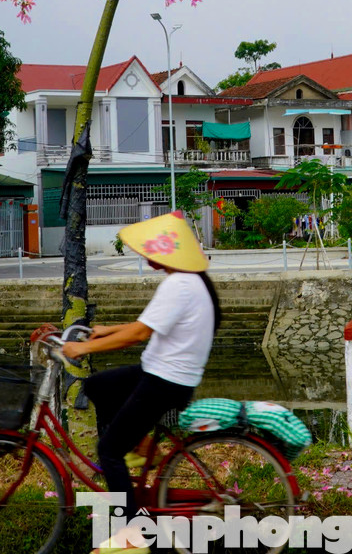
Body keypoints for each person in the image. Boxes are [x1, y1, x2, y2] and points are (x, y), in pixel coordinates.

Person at [61, 211, 221, 553]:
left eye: (153, 249)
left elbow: (139, 333)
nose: (147, 255)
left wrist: (83, 346)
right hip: (162, 374)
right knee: (97, 386)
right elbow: (147, 324)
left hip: (165, 381)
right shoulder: (188, 280)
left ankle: (133, 538)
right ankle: (138, 448)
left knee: (108, 451)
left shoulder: (179, 284)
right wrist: (108, 329)